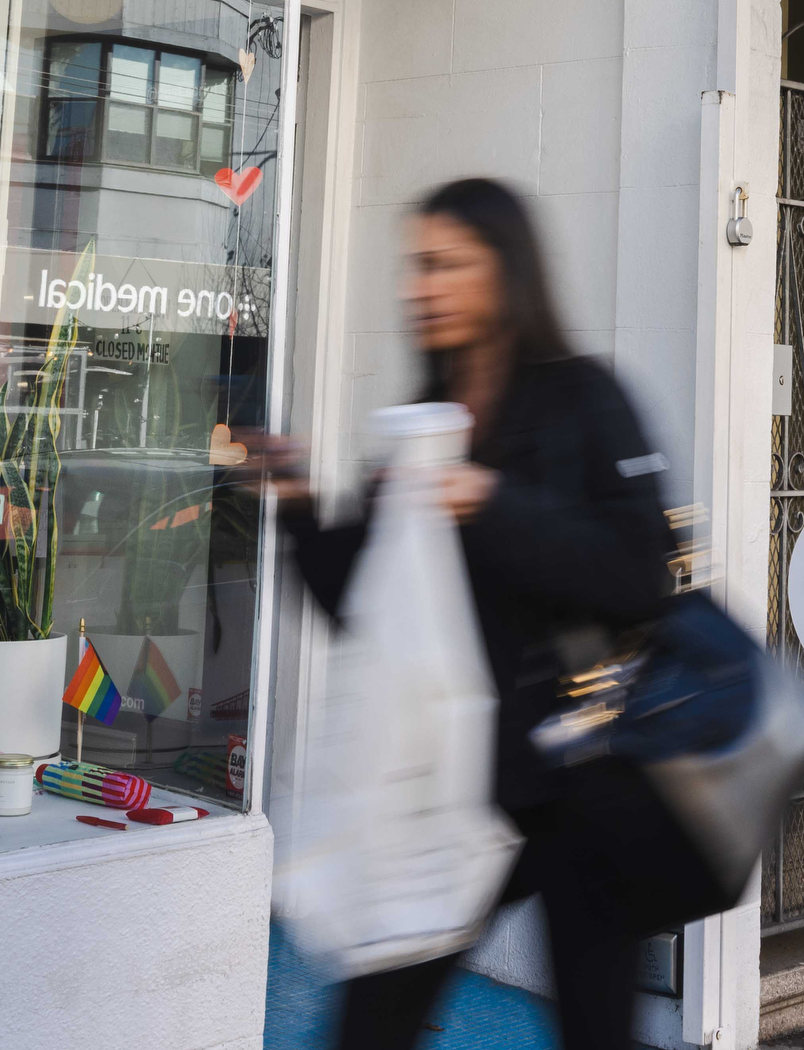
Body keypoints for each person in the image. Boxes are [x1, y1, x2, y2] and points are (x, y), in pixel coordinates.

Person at [246, 177, 677, 1050]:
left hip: (583, 783)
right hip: (456, 793)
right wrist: (298, 505)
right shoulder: (423, 426)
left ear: (504, 272)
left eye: (446, 265)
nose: (420, 286)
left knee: (599, 1032)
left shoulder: (584, 398)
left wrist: (492, 502)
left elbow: (641, 575)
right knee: (372, 1025)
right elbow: (360, 607)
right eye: (415, 266)